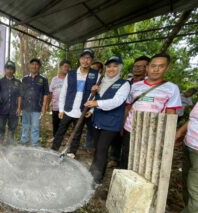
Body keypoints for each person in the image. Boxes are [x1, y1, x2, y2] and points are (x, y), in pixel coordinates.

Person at [120, 53, 182, 169]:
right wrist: (122, 126)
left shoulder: (172, 88)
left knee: (147, 161)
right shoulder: (135, 86)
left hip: (153, 131)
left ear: (167, 68)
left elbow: (171, 113)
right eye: (153, 66)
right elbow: (128, 107)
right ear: (147, 68)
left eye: (161, 66)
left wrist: (169, 135)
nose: (156, 69)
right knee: (126, 157)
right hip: (130, 128)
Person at [84, 56, 130, 184]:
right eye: (109, 66)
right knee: (97, 148)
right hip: (97, 120)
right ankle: (93, 172)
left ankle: (96, 179)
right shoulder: (101, 81)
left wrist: (95, 104)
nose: (111, 69)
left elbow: (117, 102)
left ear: (120, 68)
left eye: (115, 66)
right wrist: (91, 110)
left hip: (111, 123)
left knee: (102, 148)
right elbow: (94, 98)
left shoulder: (124, 84)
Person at [51, 49, 100, 158]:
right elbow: (63, 91)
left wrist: (91, 110)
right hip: (68, 109)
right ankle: (54, 149)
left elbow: (97, 95)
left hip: (82, 110)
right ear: (80, 59)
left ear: (91, 61)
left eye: (88, 58)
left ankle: (72, 152)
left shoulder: (96, 75)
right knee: (60, 131)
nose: (85, 61)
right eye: (83, 58)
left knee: (77, 133)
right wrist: (61, 109)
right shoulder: (71, 74)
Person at [162, 103, 198, 213]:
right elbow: (195, 118)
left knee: (196, 187)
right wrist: (181, 131)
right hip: (193, 144)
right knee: (189, 183)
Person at [110, 55, 150, 166]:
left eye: (141, 66)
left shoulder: (148, 84)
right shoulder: (126, 81)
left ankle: (130, 163)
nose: (137, 68)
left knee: (131, 142)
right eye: (135, 66)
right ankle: (114, 158)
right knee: (116, 136)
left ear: (147, 68)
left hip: (134, 117)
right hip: (118, 112)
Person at [20, 58, 49, 146]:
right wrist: (20, 107)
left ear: (39, 67)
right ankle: (24, 142)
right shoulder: (25, 79)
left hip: (37, 107)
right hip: (25, 107)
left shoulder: (43, 79)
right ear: (30, 66)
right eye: (32, 64)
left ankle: (35, 144)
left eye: (36, 64)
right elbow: (21, 93)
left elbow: (46, 94)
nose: (34, 66)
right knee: (25, 125)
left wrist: (44, 107)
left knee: (35, 127)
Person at [0, 61, 22, 145]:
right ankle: (0, 145)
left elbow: (20, 96)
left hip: (14, 110)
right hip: (2, 110)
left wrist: (19, 108)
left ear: (14, 70)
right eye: (8, 68)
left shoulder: (18, 82)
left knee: (12, 129)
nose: (9, 70)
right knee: (1, 129)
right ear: (5, 70)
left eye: (11, 69)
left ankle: (10, 145)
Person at [48, 60, 71, 141]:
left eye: (68, 67)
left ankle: (61, 138)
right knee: (55, 122)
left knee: (63, 124)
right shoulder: (54, 79)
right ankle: (55, 137)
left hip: (65, 107)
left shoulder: (70, 79)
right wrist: (50, 102)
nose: (67, 68)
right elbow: (51, 92)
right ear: (60, 67)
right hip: (55, 106)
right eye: (65, 66)